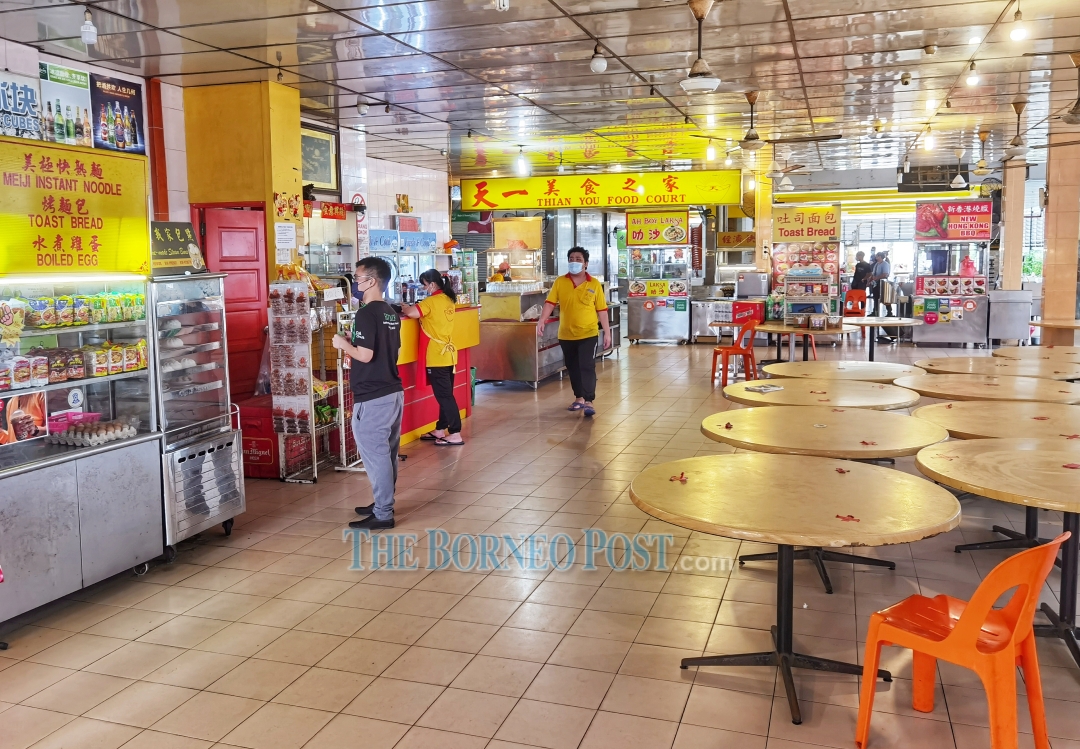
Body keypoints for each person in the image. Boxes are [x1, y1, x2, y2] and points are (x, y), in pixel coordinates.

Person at [332, 256, 403, 530]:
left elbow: (365, 354)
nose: (355, 283)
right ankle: (382, 503)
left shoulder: (365, 313)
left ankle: (384, 513)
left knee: (375, 455)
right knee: (387, 453)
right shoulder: (389, 312)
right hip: (392, 391)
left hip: (373, 396)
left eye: (358, 278)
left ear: (372, 281)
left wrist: (342, 344)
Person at [536, 247, 611, 417]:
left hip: (589, 333)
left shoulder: (594, 284)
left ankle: (589, 400)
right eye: (571, 258)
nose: (574, 262)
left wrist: (607, 332)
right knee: (573, 367)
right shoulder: (560, 282)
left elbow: (602, 310)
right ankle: (579, 398)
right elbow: (550, 303)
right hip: (566, 334)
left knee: (586, 366)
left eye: (578, 259)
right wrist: (542, 320)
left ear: (586, 263)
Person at [401, 269, 463, 446]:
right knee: (446, 394)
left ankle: (455, 432)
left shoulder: (432, 301)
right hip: (449, 355)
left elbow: (412, 313)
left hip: (436, 355)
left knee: (444, 396)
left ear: (433, 284)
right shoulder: (448, 299)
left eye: (425, 285)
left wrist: (405, 307)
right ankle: (440, 428)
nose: (424, 288)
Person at [870, 251, 895, 341]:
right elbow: (873, 273)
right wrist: (871, 279)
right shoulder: (876, 264)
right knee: (875, 298)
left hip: (882, 283)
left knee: (885, 298)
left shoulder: (885, 264)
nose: (876, 257)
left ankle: (889, 312)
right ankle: (875, 311)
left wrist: (877, 278)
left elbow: (885, 274)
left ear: (880, 256)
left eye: (877, 256)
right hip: (875, 283)